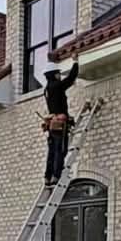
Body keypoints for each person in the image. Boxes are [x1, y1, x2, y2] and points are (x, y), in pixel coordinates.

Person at [41, 52, 79, 184]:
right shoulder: (57, 86)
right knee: (60, 149)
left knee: (51, 151)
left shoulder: (47, 89)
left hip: (52, 124)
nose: (59, 75)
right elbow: (71, 78)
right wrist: (75, 62)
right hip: (60, 123)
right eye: (57, 73)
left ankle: (47, 176)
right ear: (53, 74)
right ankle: (56, 175)